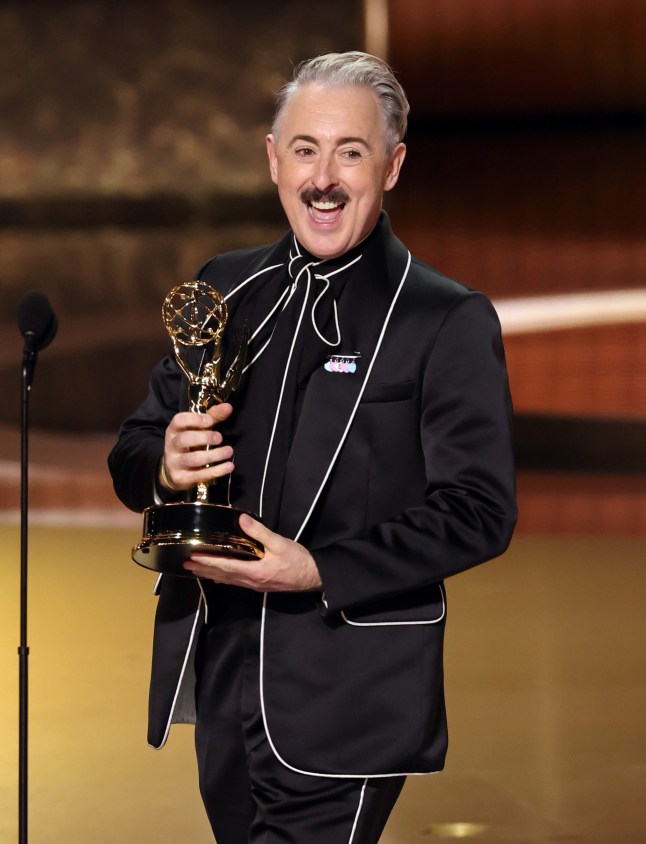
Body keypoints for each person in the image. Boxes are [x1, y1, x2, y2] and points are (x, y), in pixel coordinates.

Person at [108, 51, 517, 844]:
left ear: (392, 166)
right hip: (223, 673)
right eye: (305, 149)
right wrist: (166, 461)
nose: (323, 178)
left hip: (348, 691)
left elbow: (480, 511)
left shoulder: (445, 319)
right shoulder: (226, 290)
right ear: (272, 158)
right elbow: (132, 449)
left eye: (350, 152)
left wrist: (321, 569)